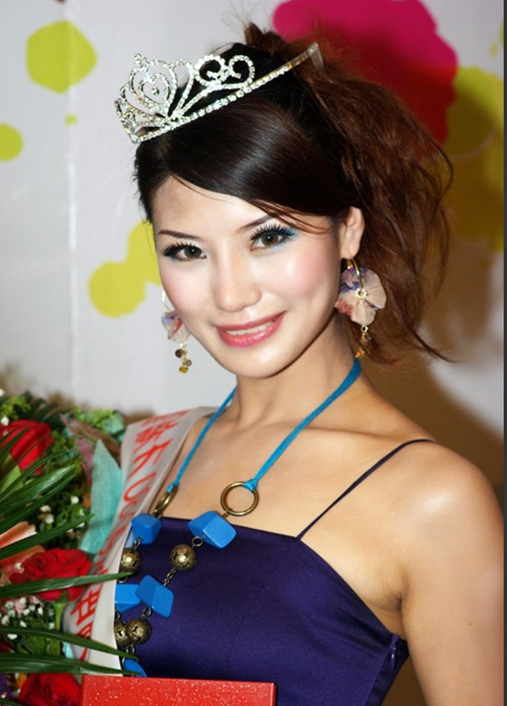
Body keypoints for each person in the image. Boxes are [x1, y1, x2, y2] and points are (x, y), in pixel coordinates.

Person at [75, 24, 503, 706]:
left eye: (268, 236)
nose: (230, 293)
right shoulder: (161, 450)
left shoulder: (435, 499)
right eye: (187, 250)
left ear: (348, 230)